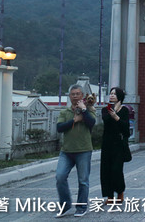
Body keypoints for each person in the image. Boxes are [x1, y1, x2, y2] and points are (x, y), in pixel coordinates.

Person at [55, 84, 96, 217]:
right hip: (66, 151)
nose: (75, 96)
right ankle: (65, 205)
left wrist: (84, 111)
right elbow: (59, 128)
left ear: (82, 96)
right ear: (69, 96)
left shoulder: (89, 110)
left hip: (84, 150)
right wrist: (74, 120)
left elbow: (91, 123)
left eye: (78, 94)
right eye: (73, 94)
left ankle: (81, 207)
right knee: (60, 177)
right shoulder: (65, 112)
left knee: (83, 180)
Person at [101, 87, 130, 205]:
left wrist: (117, 117)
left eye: (114, 94)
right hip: (107, 143)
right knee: (106, 170)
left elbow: (126, 129)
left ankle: (120, 192)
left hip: (119, 144)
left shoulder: (125, 111)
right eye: (111, 93)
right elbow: (106, 121)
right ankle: (109, 195)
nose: (112, 96)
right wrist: (112, 112)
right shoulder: (106, 109)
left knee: (116, 169)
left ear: (120, 96)